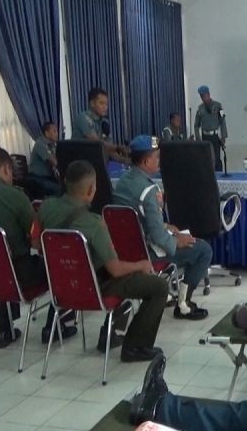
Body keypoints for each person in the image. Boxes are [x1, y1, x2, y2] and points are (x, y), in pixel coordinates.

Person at [39, 160, 168, 362]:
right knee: (158, 286)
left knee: (127, 269)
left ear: (65, 181)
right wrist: (141, 265)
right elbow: (115, 270)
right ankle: (135, 348)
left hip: (61, 286)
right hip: (94, 287)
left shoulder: (45, 207)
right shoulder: (94, 223)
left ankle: (112, 333)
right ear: (91, 189)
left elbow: (36, 243)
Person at [0, 148, 69, 347]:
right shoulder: (15, 196)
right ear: (7, 169)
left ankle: (4, 330)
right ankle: (54, 327)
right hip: (21, 276)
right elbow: (37, 240)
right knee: (61, 267)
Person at [113, 134, 212, 320]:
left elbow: (134, 218)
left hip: (123, 250)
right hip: (146, 252)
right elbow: (158, 237)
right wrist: (177, 241)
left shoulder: (122, 183)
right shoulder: (149, 191)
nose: (159, 160)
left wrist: (165, 225)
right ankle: (184, 305)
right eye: (157, 156)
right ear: (146, 161)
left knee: (180, 236)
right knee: (203, 250)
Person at [71, 87, 130, 164]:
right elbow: (97, 142)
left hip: (95, 161)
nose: (105, 107)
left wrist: (125, 161)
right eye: (101, 103)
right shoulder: (83, 117)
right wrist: (118, 148)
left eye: (106, 104)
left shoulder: (104, 122)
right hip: (79, 163)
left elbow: (109, 148)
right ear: (92, 104)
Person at [193, 86, 228, 172]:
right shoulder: (200, 108)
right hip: (205, 137)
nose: (203, 98)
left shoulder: (218, 106)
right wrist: (198, 137)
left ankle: (218, 176)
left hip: (214, 136)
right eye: (201, 96)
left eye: (204, 96)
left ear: (208, 94)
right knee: (206, 159)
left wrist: (223, 136)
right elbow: (196, 125)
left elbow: (222, 122)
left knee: (216, 159)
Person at [28, 122, 61, 197]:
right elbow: (54, 162)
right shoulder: (40, 144)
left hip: (47, 177)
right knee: (59, 189)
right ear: (47, 133)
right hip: (37, 178)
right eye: (54, 131)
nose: (57, 134)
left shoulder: (53, 145)